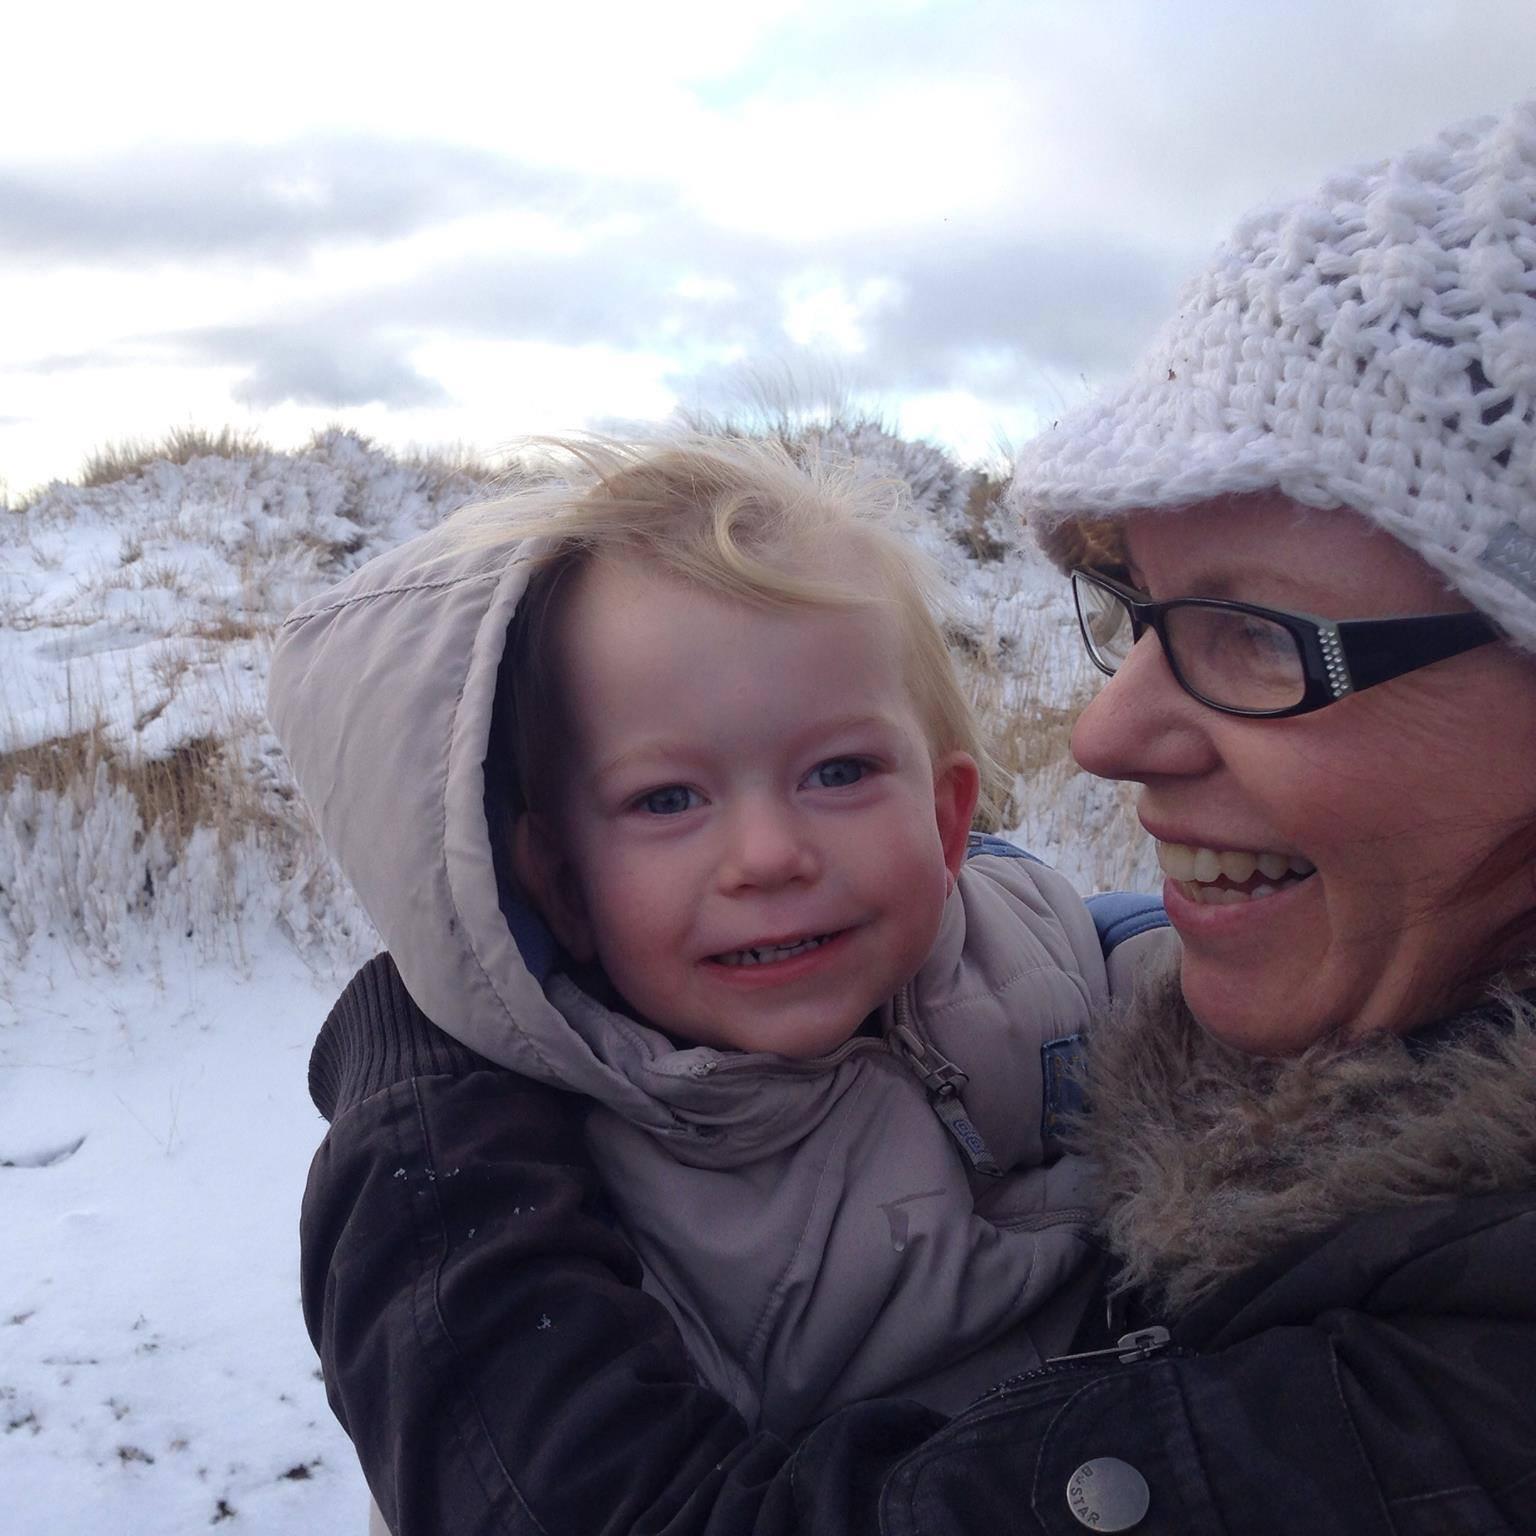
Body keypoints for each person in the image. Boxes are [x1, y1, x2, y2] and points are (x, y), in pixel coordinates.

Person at [293, 101, 1536, 1535]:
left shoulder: (1459, 1378)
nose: (1102, 734)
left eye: (1258, 632)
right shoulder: (627, 1169)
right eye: (1134, 612)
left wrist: (427, 1145)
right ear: (551, 879)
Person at [269, 436, 1169, 1449]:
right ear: (561, 887)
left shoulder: (1023, 933)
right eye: (667, 799)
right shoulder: (591, 1197)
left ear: (945, 816)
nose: (769, 855)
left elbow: (1139, 968)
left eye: (838, 772)